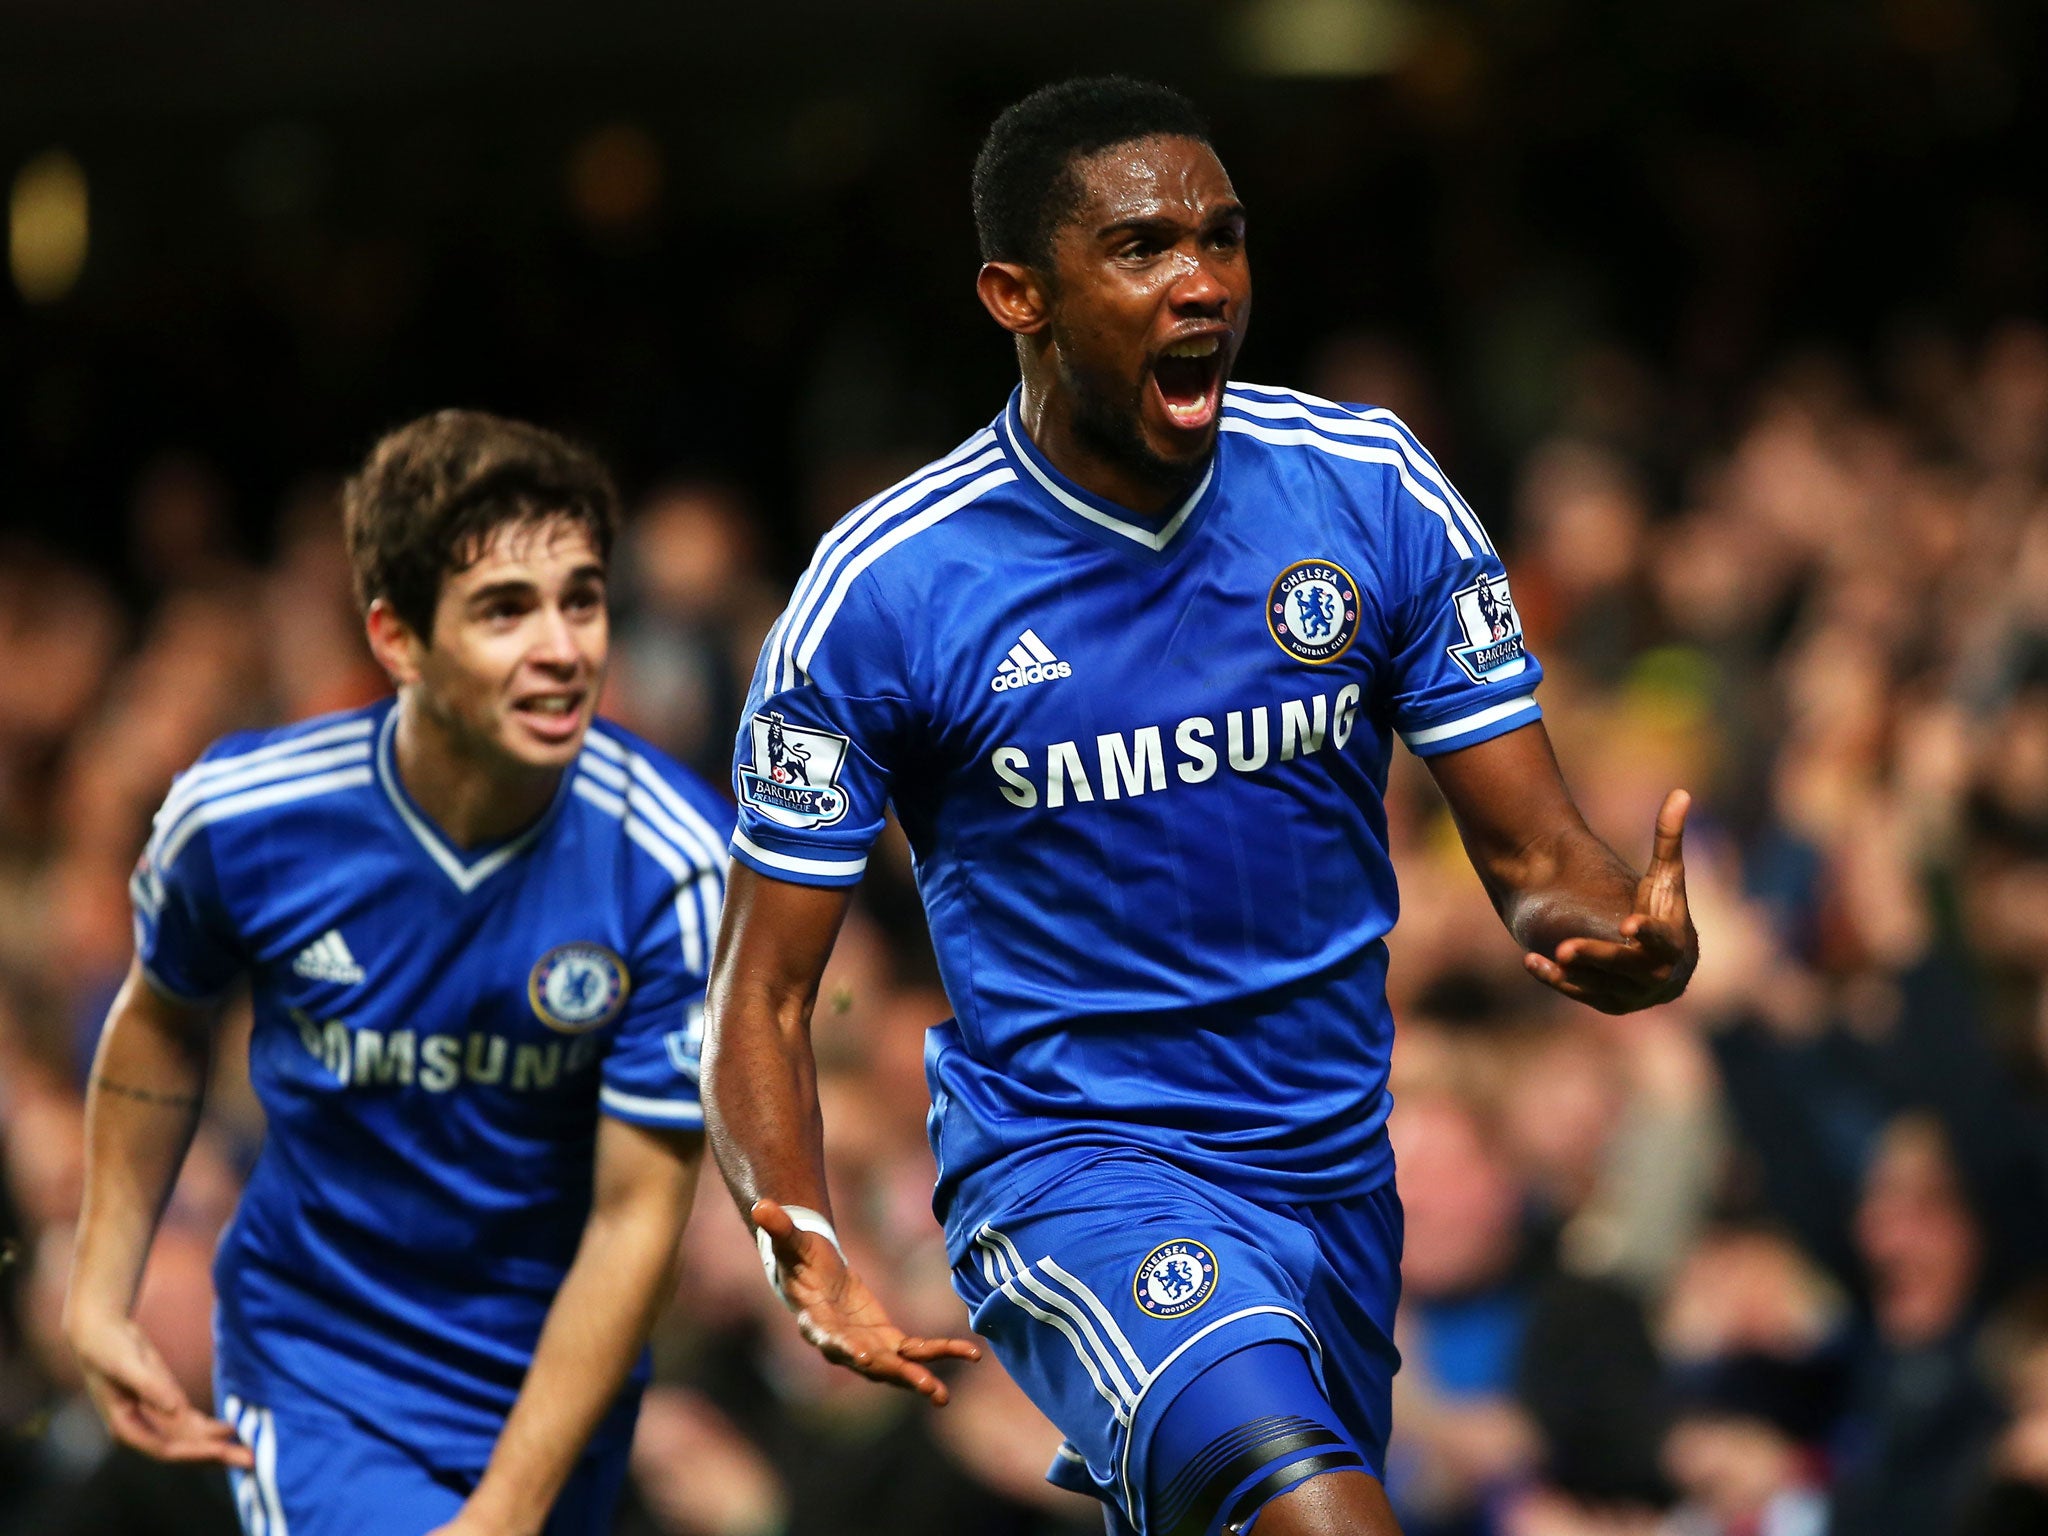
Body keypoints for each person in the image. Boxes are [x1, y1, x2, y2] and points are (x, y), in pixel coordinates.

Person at [700, 77, 1696, 1536]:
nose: (1203, 285)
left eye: (1223, 241)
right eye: (1145, 249)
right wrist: (801, 1235)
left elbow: (1540, 860)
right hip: (1078, 1173)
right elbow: (763, 988)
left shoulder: (1370, 495)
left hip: (1338, 1171)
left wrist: (1621, 930)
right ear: (1016, 294)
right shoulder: (886, 594)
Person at [62, 411, 731, 1536]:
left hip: (552, 1395)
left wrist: (506, 1513)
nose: (562, 647)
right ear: (398, 639)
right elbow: (163, 1023)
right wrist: (98, 1291)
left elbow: (634, 1223)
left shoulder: (678, 862)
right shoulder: (240, 820)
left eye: (580, 598)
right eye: (504, 611)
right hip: (319, 1372)